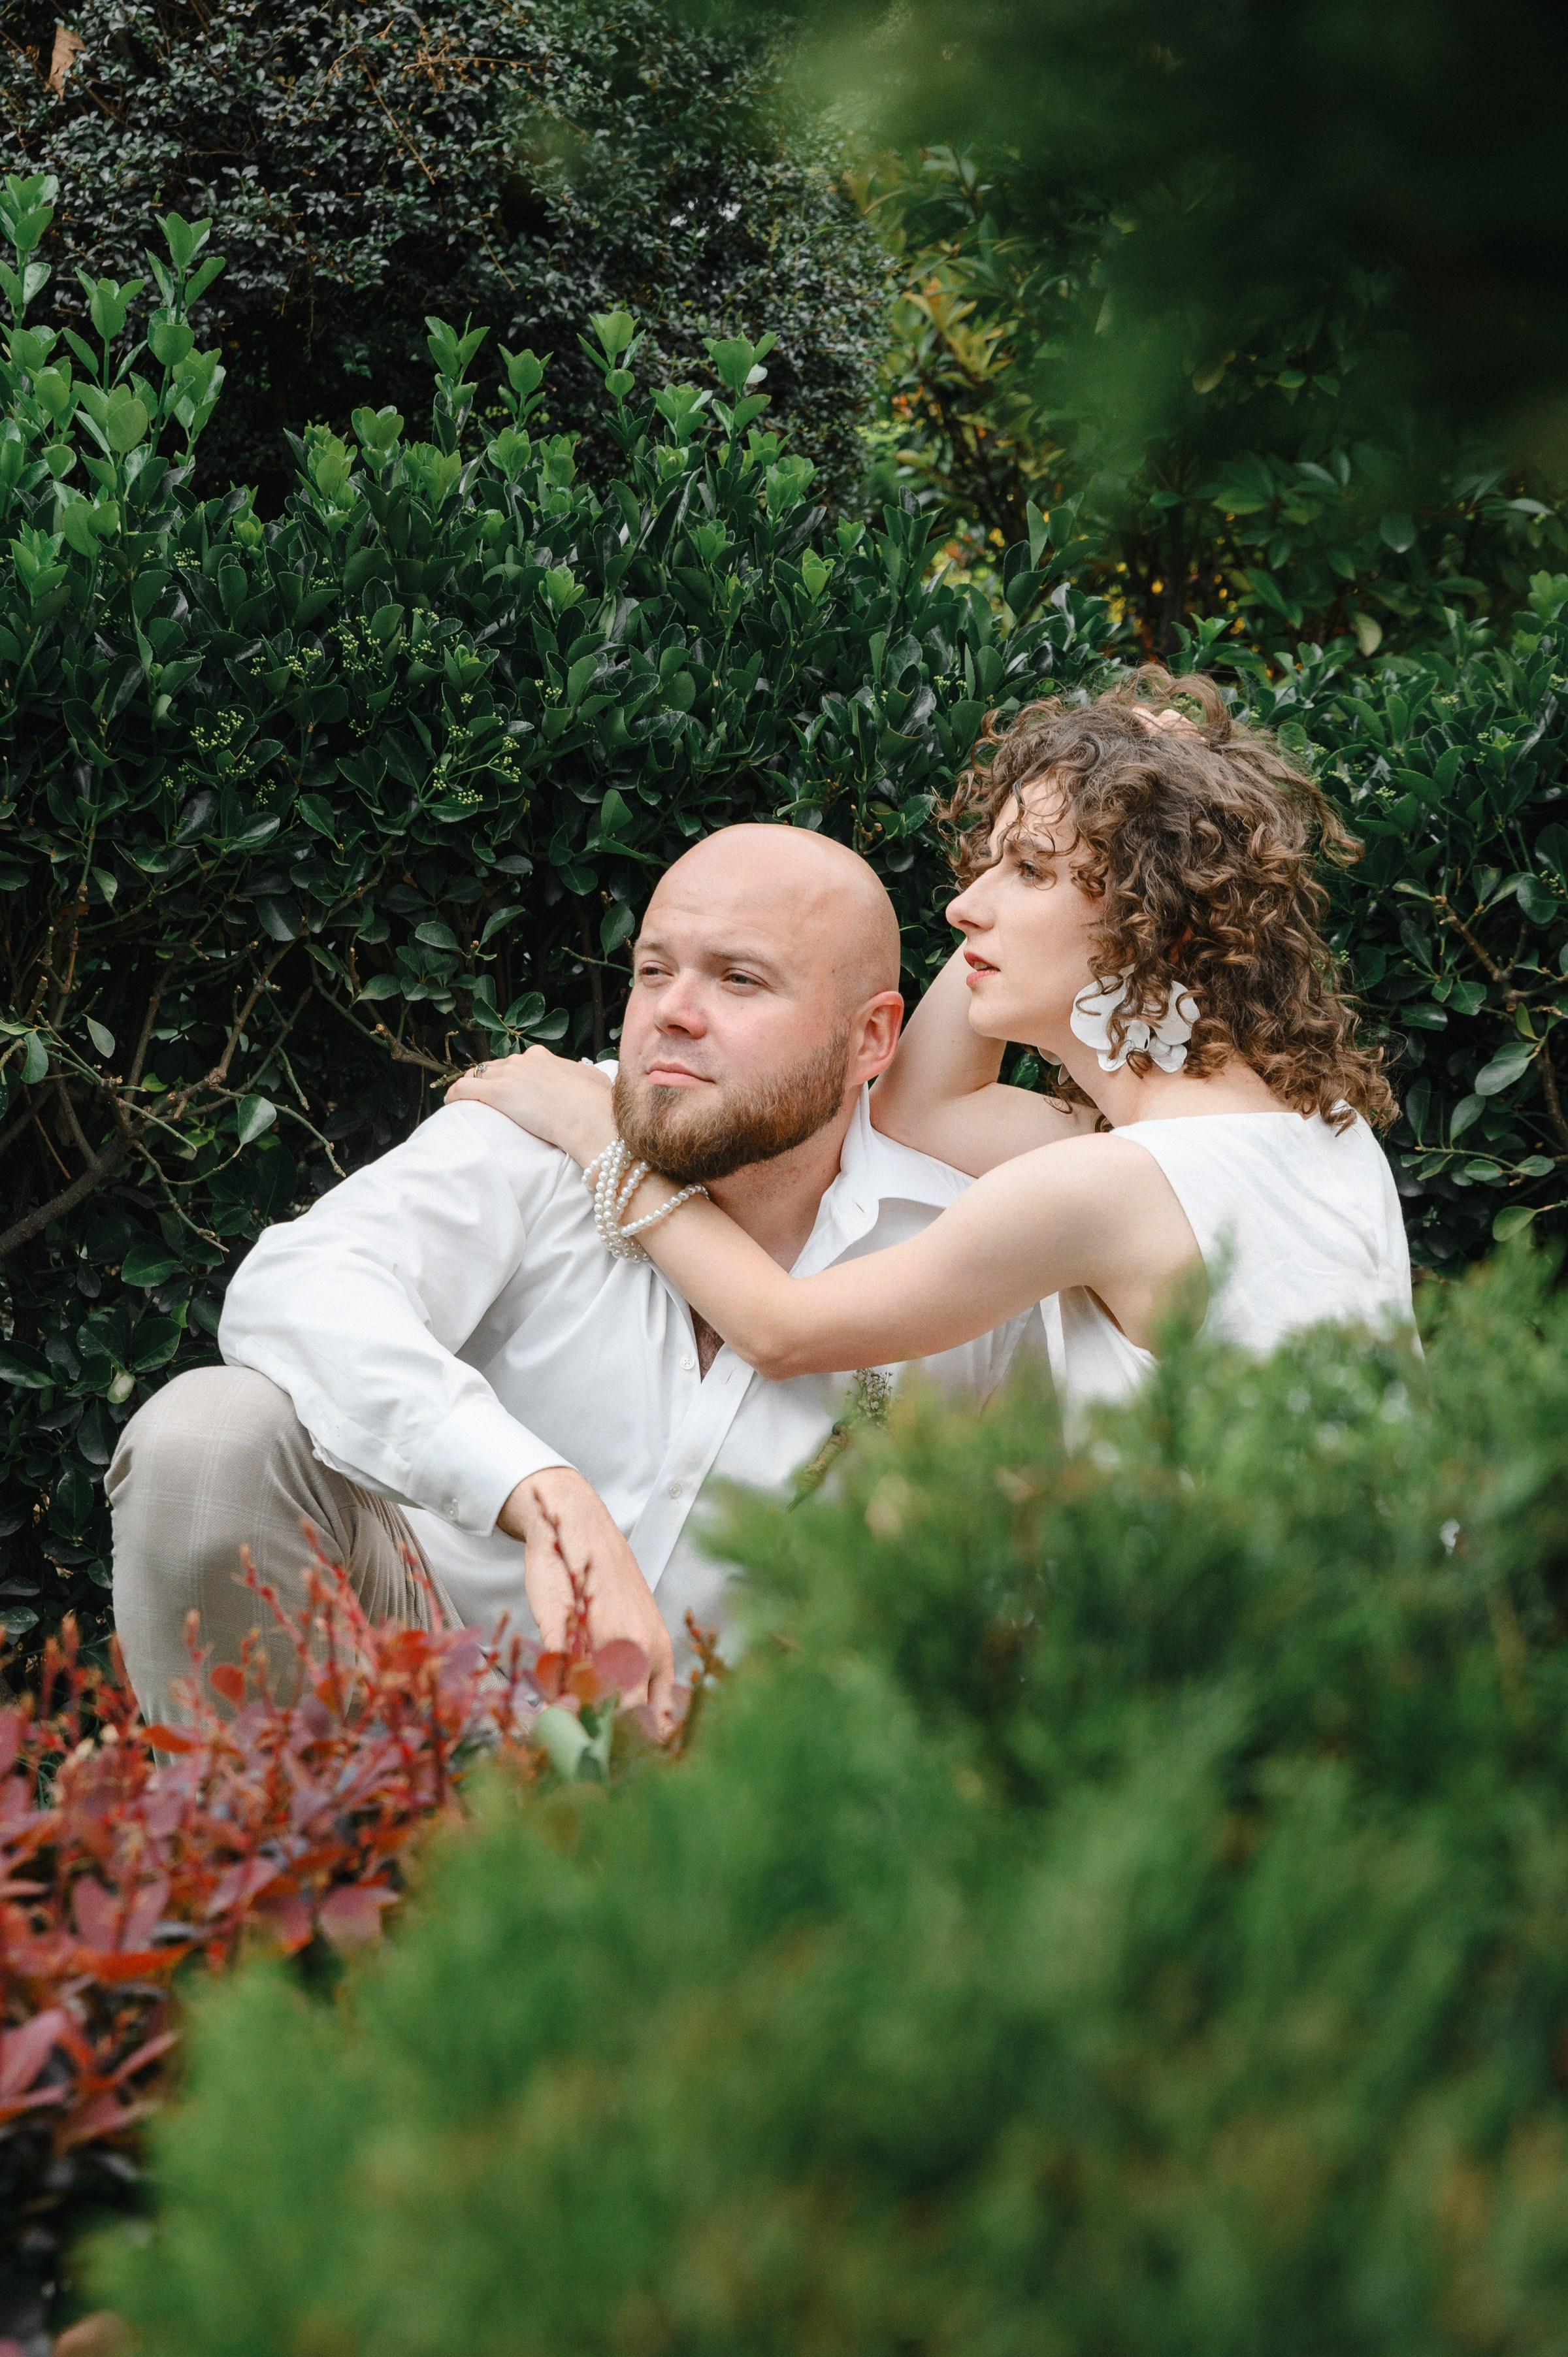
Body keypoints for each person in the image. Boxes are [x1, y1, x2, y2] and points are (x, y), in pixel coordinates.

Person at [108, 825, 1043, 1726]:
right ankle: (256, 1873)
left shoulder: (966, 1245)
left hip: (730, 1797)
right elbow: (300, 1287)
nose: (673, 1011)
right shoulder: (536, 1129)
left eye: (739, 978)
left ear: (872, 1041)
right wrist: (539, 1491)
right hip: (421, 1686)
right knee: (209, 1438)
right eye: (653, 970)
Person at [450, 670, 1414, 1439]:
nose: (963, 908)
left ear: (1153, 910)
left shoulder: (1106, 1189)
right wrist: (1115, 782)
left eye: (1028, 870)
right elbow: (920, 1110)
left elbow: (782, 1330)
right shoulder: (1317, 1135)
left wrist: (600, 1136)